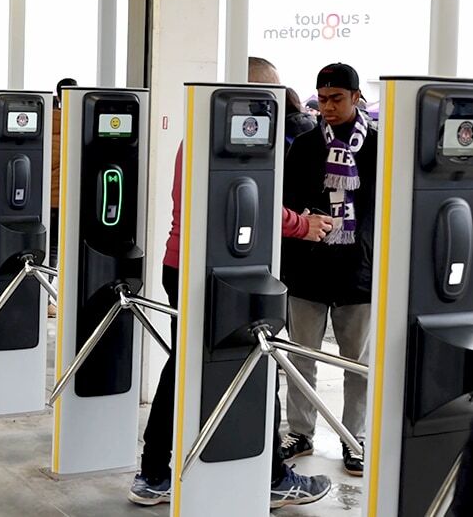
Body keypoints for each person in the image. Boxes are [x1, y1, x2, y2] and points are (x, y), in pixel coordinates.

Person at [129, 57, 332, 508]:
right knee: (257, 363)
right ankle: (272, 478)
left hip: (187, 265)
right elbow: (246, 200)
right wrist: (302, 225)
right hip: (211, 270)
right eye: (271, 93)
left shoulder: (206, 134)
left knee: (183, 367)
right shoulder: (229, 140)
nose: (277, 103)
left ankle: (154, 474)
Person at [280, 63, 377, 477]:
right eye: (322, 99)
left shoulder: (378, 147)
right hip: (308, 269)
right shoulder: (305, 145)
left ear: (356, 97)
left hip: (359, 271)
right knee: (301, 358)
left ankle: (355, 439)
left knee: (359, 364)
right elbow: (285, 199)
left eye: (336, 98)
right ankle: (300, 432)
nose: (328, 107)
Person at [48, 77, 77, 318]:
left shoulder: (47, 125)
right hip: (65, 202)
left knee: (46, 251)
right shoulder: (74, 128)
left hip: (43, 201)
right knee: (56, 252)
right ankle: (48, 299)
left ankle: (43, 296)